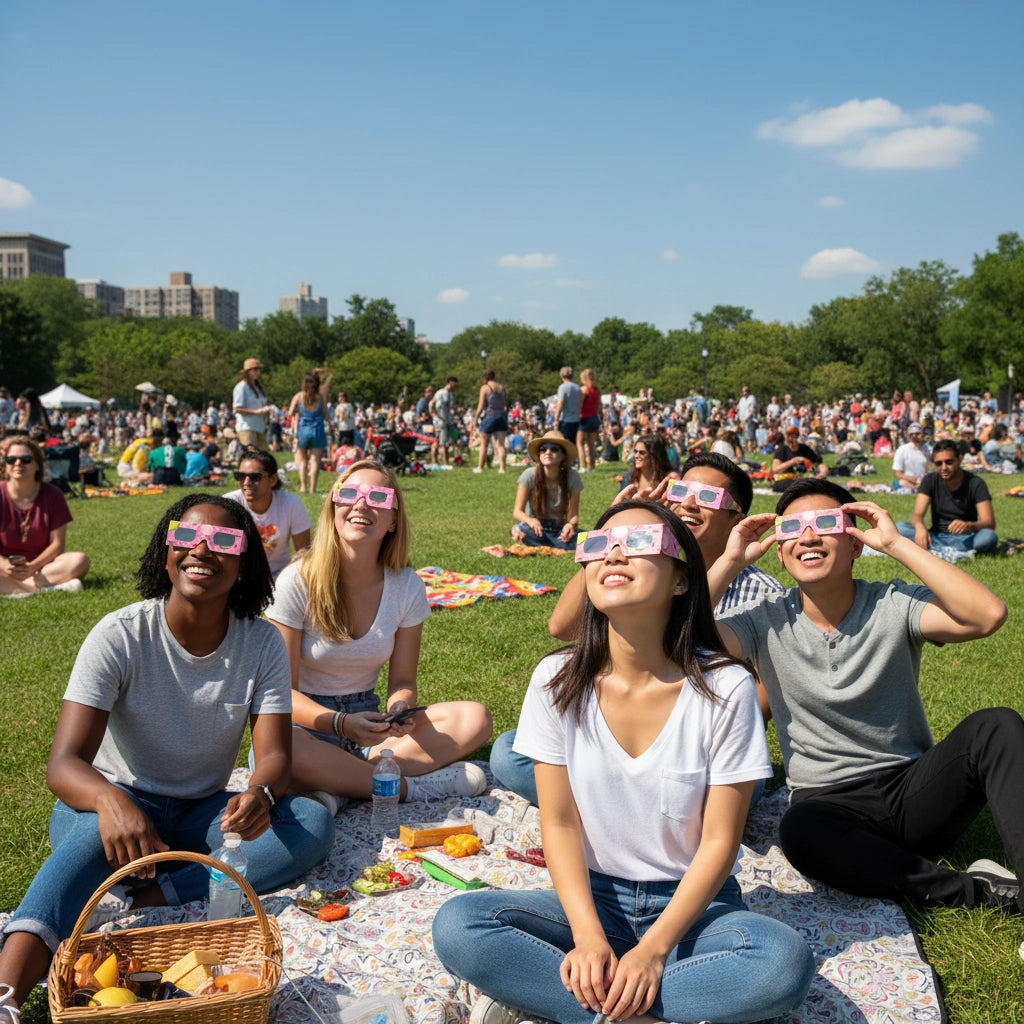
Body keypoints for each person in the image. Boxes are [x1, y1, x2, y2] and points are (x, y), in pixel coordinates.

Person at [434, 501, 815, 1024]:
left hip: (695, 912)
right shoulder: (555, 680)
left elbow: (720, 842)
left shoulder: (726, 688)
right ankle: (641, 1013)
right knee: (461, 925)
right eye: (599, 544)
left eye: (638, 543)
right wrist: (589, 938)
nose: (613, 553)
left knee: (781, 965)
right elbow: (561, 824)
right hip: (594, 900)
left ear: (682, 580)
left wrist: (654, 951)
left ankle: (572, 1002)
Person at [0, 495, 335, 1022]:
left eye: (225, 541)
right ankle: (6, 997)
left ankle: (143, 893)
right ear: (166, 549)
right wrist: (111, 801)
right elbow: (63, 764)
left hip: (202, 815)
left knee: (312, 822)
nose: (203, 550)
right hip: (106, 810)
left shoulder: (263, 643)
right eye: (187, 536)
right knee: (87, 839)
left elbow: (274, 757)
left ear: (245, 562)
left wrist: (261, 794)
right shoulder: (120, 634)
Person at [708, 478, 1022, 919]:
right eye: (793, 527)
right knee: (800, 830)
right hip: (828, 806)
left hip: (913, 792)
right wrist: (729, 561)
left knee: (997, 725)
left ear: (855, 543)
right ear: (779, 550)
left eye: (825, 522)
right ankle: (977, 892)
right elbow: (677, 640)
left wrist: (897, 544)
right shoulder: (764, 620)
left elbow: (987, 615)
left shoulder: (892, 602)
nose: (809, 536)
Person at [495, 452, 783, 804]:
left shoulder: (763, 593)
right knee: (509, 752)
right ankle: (633, 809)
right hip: (618, 739)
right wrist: (614, 534)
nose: (689, 503)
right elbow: (562, 628)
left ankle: (602, 807)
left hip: (695, 758)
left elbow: (755, 703)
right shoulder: (635, 570)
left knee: (745, 784)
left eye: (708, 497)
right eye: (680, 491)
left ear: (738, 518)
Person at [265, 460, 493, 810]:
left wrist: (398, 708)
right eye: (349, 493)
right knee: (282, 748)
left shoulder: (407, 585)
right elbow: (282, 694)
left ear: (393, 520)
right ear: (333, 507)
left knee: (474, 718)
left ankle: (341, 784)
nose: (361, 504)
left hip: (370, 726)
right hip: (306, 724)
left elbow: (402, 679)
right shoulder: (298, 580)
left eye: (377, 497)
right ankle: (408, 788)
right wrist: (340, 724)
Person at [1, 436, 89, 597]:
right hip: (3, 567)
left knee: (79, 560)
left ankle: (16, 589)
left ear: (37, 465)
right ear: (5, 464)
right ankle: (36, 590)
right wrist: (4, 564)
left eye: (26, 459)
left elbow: (57, 544)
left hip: (42, 568)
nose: (18, 464)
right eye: (11, 459)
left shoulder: (53, 495)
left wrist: (32, 567)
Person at [895, 439, 998, 555]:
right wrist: (920, 528)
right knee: (899, 527)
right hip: (936, 535)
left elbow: (989, 523)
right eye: (938, 463)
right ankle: (951, 550)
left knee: (988, 537)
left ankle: (935, 549)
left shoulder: (976, 483)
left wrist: (969, 526)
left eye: (949, 462)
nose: (944, 467)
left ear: (959, 460)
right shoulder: (930, 480)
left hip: (965, 537)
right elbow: (917, 516)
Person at [224, 449, 312, 578]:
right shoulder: (229, 505)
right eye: (241, 476)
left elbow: (304, 553)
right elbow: (222, 552)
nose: (246, 482)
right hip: (239, 576)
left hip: (279, 574)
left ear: (273, 480)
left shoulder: (291, 503)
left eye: (255, 477)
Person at [510, 431, 582, 550]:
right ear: (539, 454)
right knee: (524, 531)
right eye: (543, 449)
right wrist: (531, 521)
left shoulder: (572, 477)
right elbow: (517, 511)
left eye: (554, 449)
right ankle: (562, 546)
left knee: (589, 538)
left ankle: (552, 544)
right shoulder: (529, 475)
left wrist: (570, 525)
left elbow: (574, 515)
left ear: (563, 455)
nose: (548, 452)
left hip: (560, 528)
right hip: (537, 528)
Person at [288, 370, 331, 493]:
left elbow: (290, 413)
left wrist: (298, 410)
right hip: (317, 431)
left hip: (303, 431)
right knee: (315, 460)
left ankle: (303, 487)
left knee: (303, 461)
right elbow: (326, 415)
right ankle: (312, 489)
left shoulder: (298, 396)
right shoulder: (320, 397)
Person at [614, 432, 674, 500]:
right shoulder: (630, 477)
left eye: (642, 453)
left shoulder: (668, 479)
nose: (636, 456)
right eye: (635, 451)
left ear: (654, 455)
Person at [771, 425, 828, 491]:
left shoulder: (805, 449)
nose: (791, 442)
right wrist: (792, 462)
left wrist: (821, 474)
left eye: (794, 438)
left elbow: (819, 463)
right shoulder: (782, 449)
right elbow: (775, 470)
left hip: (803, 478)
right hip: (786, 479)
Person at [473, 368, 508, 474]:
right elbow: (506, 405)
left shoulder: (485, 388)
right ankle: (502, 469)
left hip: (490, 416)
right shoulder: (501, 387)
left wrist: (475, 419)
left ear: (485, 377)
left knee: (484, 444)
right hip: (502, 417)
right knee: (500, 444)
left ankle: (480, 467)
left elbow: (481, 405)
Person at [232, 357, 270, 450]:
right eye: (255, 370)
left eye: (259, 369)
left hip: (259, 427)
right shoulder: (241, 387)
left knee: (262, 458)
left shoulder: (257, 388)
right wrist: (257, 412)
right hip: (247, 427)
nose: (258, 372)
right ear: (248, 372)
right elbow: (237, 409)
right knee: (251, 457)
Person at [576, 368, 601, 472]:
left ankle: (582, 466)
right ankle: (592, 466)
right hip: (594, 417)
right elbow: (599, 405)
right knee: (591, 443)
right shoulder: (597, 390)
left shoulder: (583, 390)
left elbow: (580, 404)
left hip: (584, 417)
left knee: (580, 443)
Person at [892, 422, 931, 490]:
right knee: (901, 483)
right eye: (911, 434)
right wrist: (913, 479)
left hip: (924, 481)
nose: (914, 436)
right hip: (907, 480)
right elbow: (898, 473)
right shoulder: (902, 450)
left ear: (923, 434)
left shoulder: (929, 449)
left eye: (917, 434)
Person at [429, 376, 459, 465]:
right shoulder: (440, 393)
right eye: (455, 386)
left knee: (447, 441)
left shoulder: (450, 395)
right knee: (441, 442)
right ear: (451, 383)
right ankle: (442, 463)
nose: (455, 388)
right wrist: (435, 416)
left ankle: (441, 461)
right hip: (441, 422)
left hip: (447, 421)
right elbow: (431, 404)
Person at [554, 366, 582, 446]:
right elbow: (580, 404)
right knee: (574, 443)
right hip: (576, 419)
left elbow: (561, 403)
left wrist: (556, 418)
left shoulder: (562, 387)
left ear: (561, 375)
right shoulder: (577, 387)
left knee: (564, 444)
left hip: (565, 420)